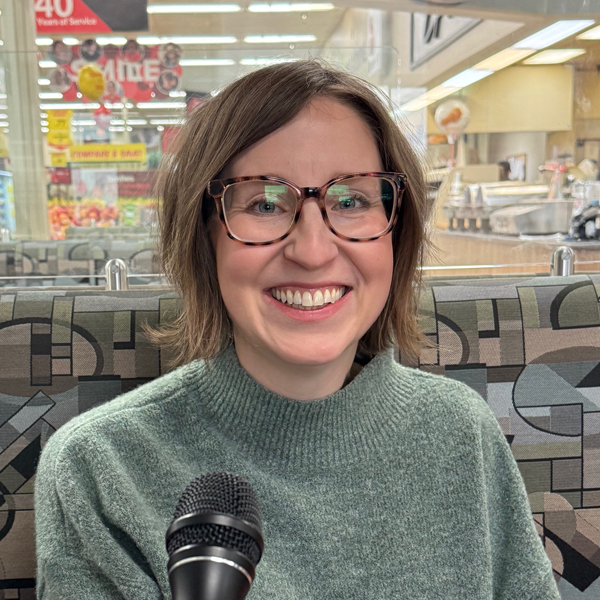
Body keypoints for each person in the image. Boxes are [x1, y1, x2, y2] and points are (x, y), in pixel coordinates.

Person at [34, 60, 560, 599]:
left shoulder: (461, 432)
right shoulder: (99, 469)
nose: (312, 251)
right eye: (264, 204)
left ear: (395, 232)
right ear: (205, 234)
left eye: (351, 201)